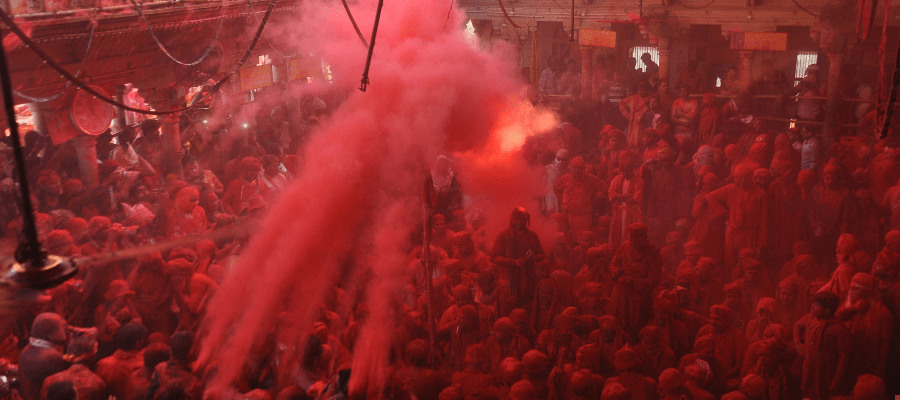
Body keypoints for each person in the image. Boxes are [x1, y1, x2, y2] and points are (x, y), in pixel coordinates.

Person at [705, 164, 768, 269]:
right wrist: (724, 213)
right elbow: (710, 197)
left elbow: (764, 219)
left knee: (748, 263)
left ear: (745, 178)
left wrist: (761, 243)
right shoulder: (730, 189)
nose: (734, 180)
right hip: (732, 232)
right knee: (730, 264)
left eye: (737, 177)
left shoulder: (761, 193)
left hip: (750, 234)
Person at [608, 223, 662, 339]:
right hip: (620, 296)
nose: (632, 243)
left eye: (636, 240)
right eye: (631, 240)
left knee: (635, 330)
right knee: (616, 327)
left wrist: (632, 281)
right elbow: (613, 263)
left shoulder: (653, 253)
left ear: (644, 238)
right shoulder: (624, 246)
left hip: (639, 300)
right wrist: (614, 271)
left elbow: (654, 281)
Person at [794, 291, 851, 400]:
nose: (812, 307)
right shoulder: (809, 318)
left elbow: (844, 357)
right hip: (809, 370)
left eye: (816, 305)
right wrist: (798, 344)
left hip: (826, 374)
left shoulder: (839, 328)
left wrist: (837, 379)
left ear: (827, 310)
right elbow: (797, 326)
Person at [491, 208, 545, 308]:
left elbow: (542, 255)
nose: (519, 222)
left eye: (523, 219)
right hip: (508, 283)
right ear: (511, 219)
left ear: (527, 220)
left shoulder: (532, 236)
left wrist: (533, 258)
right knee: (507, 310)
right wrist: (513, 262)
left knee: (528, 308)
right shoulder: (503, 236)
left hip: (528, 281)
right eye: (516, 219)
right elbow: (494, 258)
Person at [554, 157, 608, 239]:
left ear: (583, 169)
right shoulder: (565, 178)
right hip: (568, 215)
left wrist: (596, 197)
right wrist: (562, 199)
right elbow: (555, 188)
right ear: (570, 167)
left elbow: (604, 187)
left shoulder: (590, 179)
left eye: (579, 168)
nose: (576, 170)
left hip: (584, 216)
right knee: (568, 238)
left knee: (584, 238)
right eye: (574, 167)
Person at [620, 82, 654, 149]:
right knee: (632, 143)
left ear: (647, 90)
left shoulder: (650, 99)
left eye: (643, 90)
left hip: (644, 124)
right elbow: (621, 103)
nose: (640, 92)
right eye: (639, 90)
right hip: (633, 125)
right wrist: (627, 115)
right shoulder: (633, 98)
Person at [544, 149, 570, 215]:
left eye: (563, 160)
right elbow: (542, 187)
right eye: (559, 159)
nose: (560, 162)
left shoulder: (571, 171)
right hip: (550, 201)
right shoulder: (548, 169)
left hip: (565, 202)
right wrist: (542, 205)